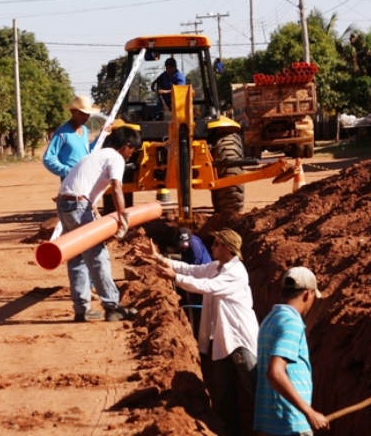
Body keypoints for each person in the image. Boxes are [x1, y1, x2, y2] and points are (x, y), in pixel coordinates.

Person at [137, 228, 258, 436]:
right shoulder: (217, 267)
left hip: (240, 342)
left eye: (216, 244)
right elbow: (191, 270)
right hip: (221, 343)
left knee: (256, 390)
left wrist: (174, 277)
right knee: (224, 396)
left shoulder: (236, 272)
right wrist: (158, 258)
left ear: (227, 248)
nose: (211, 248)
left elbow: (206, 286)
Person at [56, 126, 141, 323]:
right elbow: (117, 188)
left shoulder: (97, 155)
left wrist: (93, 210)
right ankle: (112, 307)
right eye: (132, 151)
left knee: (77, 257)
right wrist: (123, 217)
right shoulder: (116, 158)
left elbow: (86, 184)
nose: (131, 156)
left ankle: (82, 309)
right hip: (77, 204)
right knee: (97, 256)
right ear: (127, 145)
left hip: (64, 202)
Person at [254, 267, 329, 435]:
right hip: (290, 425)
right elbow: (275, 372)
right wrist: (309, 412)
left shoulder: (270, 319)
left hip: (270, 422)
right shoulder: (291, 324)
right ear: (307, 294)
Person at [43, 95, 101, 180]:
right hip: (70, 181)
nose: (85, 117)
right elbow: (48, 158)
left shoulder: (85, 130)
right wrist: (68, 171)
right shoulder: (62, 133)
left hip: (85, 178)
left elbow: (87, 151)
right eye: (82, 113)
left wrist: (102, 136)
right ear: (73, 111)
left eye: (88, 114)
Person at [173, 227, 212, 339]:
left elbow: (194, 271)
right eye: (181, 244)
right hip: (196, 272)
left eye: (185, 244)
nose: (183, 246)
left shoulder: (195, 249)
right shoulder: (185, 243)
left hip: (203, 277)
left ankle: (200, 335)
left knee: (199, 310)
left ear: (189, 239)